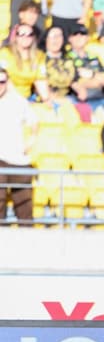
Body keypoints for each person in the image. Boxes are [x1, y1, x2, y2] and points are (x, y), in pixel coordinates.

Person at [0, 67, 38, 225]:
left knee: (24, 205)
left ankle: (29, 243)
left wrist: (30, 143)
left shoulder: (18, 101)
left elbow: (34, 122)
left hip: (19, 159)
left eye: (2, 81)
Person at [0, 23, 49, 101]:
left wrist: (47, 100)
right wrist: (19, 101)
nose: (26, 37)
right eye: (21, 34)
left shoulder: (39, 56)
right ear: (15, 37)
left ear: (33, 37)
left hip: (28, 99)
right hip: (5, 97)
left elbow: (40, 81)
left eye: (30, 34)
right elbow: (2, 81)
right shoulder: (4, 53)